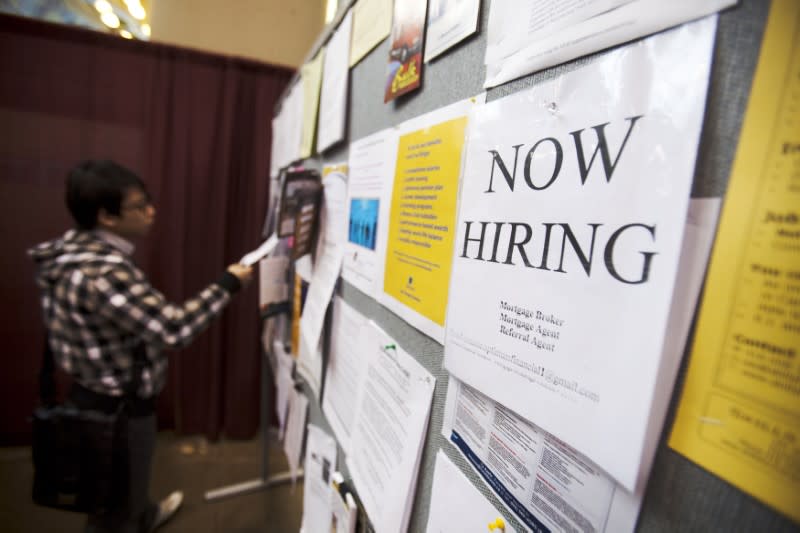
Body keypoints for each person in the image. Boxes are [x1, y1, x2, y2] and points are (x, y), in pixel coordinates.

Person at [28, 160, 254, 532]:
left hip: (89, 393)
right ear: (107, 217)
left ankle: (142, 514)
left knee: (110, 491)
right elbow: (173, 329)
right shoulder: (103, 273)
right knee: (114, 509)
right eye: (139, 206)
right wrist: (228, 284)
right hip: (119, 409)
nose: (151, 211)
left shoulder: (68, 250)